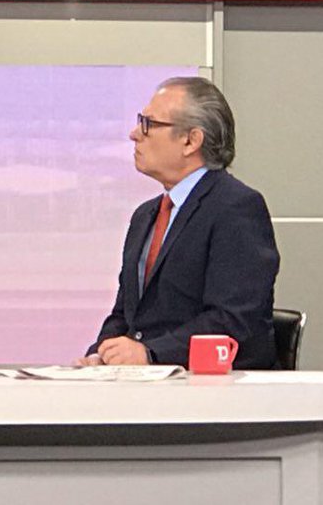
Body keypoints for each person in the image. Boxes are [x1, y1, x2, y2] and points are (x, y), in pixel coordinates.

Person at [80, 76, 279, 368]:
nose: (135, 134)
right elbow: (125, 315)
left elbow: (234, 320)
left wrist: (151, 353)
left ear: (190, 140)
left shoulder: (235, 208)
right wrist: (101, 354)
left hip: (213, 387)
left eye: (148, 124)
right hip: (147, 385)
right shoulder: (145, 216)